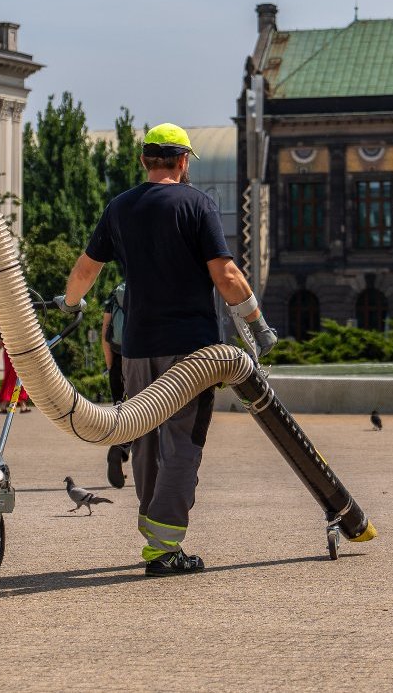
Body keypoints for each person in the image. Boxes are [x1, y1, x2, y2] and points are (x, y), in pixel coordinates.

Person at [59, 123, 278, 576]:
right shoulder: (197, 204)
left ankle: (154, 530)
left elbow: (85, 269)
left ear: (144, 161)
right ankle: (164, 546)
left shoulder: (120, 207)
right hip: (192, 353)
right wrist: (257, 324)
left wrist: (70, 303)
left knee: (146, 436)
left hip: (137, 347)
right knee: (183, 441)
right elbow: (227, 275)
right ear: (182, 162)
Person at [101, 281, 132, 488]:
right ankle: (121, 448)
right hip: (141, 359)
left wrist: (112, 367)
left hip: (118, 361)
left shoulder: (115, 294)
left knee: (122, 411)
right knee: (151, 413)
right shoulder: (147, 286)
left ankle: (119, 447)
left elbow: (105, 335)